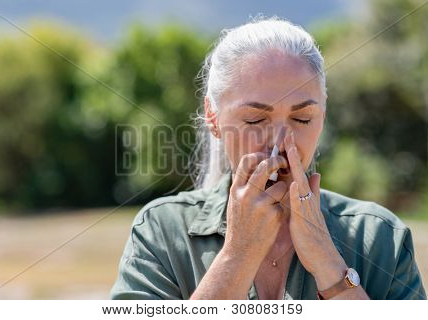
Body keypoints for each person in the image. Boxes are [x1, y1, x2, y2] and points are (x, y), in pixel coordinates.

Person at [110, 16, 426, 300]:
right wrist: (238, 255)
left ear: (322, 118)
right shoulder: (160, 232)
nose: (279, 142)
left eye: (302, 119)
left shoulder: (382, 236)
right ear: (213, 117)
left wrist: (328, 264)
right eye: (255, 119)